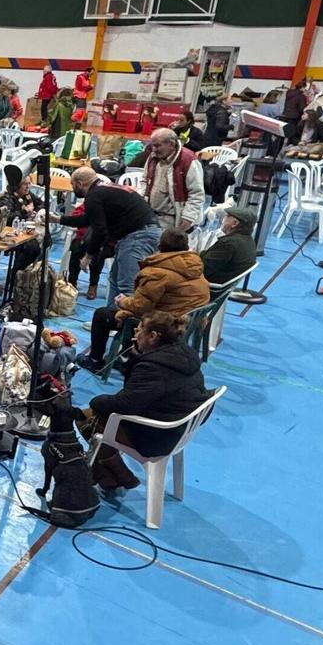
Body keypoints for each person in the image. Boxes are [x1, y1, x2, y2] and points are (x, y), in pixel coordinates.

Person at [81, 311, 210, 492]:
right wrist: (137, 355)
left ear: (153, 336)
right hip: (181, 428)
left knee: (86, 417)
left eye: (139, 329)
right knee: (103, 418)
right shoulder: (185, 352)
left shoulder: (152, 367)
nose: (135, 333)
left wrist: (96, 401)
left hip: (158, 435)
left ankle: (113, 476)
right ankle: (113, 477)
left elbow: (125, 404)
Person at [78, 227, 209, 372]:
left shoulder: (157, 273)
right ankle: (127, 357)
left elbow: (140, 307)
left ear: (159, 246)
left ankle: (94, 360)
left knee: (102, 315)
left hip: (164, 324)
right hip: (188, 320)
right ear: (186, 247)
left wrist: (122, 301)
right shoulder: (194, 265)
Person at [57, 166, 161, 305]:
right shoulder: (106, 188)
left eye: (73, 185)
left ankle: (123, 318)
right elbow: (88, 220)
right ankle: (110, 314)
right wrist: (58, 219)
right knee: (115, 280)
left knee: (127, 288)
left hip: (139, 236)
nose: (73, 188)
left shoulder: (93, 196)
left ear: (80, 184)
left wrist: (88, 256)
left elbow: (99, 230)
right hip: (143, 232)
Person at [143, 127, 205, 231]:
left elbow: (196, 194)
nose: (154, 149)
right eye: (152, 145)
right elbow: (144, 180)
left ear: (171, 144)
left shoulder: (189, 161)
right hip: (151, 216)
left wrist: (188, 217)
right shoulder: (153, 157)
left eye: (157, 145)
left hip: (173, 220)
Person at [200, 205, 258, 285]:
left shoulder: (228, 244)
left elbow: (202, 269)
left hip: (206, 284)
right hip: (222, 283)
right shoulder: (249, 242)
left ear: (234, 223)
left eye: (227, 216)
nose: (223, 219)